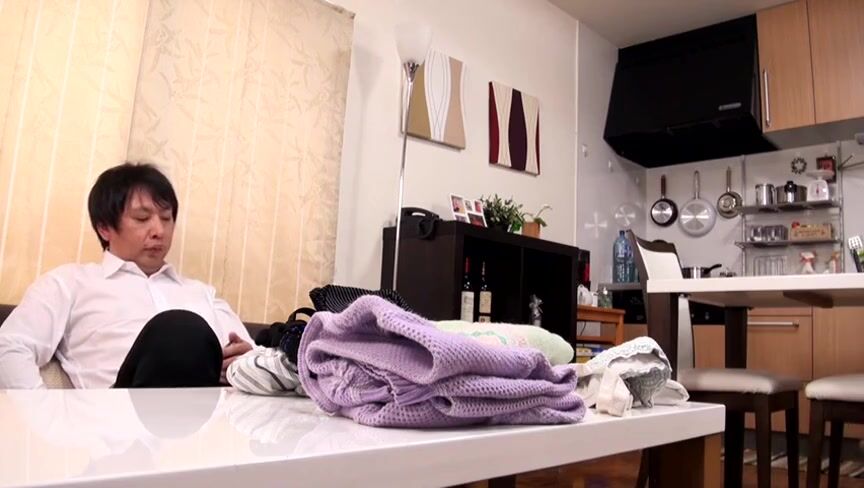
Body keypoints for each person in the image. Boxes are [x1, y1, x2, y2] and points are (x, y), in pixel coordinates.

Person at [0, 162, 253, 389]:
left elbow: (258, 357)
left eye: (166, 218)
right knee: (180, 329)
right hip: (121, 416)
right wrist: (45, 416)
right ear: (105, 228)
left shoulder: (201, 293)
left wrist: (247, 363)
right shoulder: (69, 283)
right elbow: (10, 346)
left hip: (213, 416)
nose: (159, 231)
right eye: (142, 218)